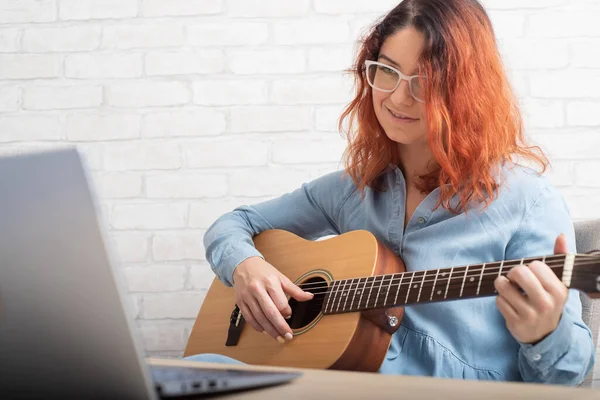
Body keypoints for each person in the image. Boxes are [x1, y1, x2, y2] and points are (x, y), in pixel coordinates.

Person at [188, 0, 595, 385]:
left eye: (426, 82)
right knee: (191, 371)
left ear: (464, 93)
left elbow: (567, 377)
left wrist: (544, 333)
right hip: (334, 384)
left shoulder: (528, 201)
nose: (399, 97)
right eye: (388, 71)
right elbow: (233, 224)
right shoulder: (353, 188)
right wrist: (246, 267)